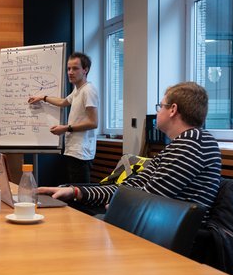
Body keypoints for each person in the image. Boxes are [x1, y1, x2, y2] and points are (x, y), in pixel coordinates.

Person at [39, 81, 221, 216]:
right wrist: (75, 191)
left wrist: (122, 206)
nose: (158, 112)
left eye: (161, 106)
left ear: (172, 110)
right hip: (151, 223)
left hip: (163, 235)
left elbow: (151, 198)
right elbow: (128, 188)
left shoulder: (192, 143)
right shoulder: (182, 145)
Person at [28, 52, 98, 184]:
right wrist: (43, 98)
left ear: (85, 70)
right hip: (73, 149)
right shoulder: (78, 90)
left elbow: (93, 122)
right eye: (69, 68)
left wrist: (65, 128)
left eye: (75, 68)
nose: (70, 72)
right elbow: (63, 102)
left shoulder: (88, 91)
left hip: (81, 152)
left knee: (80, 195)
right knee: (73, 191)